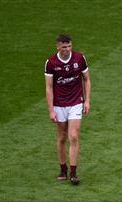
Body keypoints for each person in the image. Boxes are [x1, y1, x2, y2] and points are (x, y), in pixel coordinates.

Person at [44, 33, 91, 185]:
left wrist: (87, 101)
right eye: (64, 47)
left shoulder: (79, 59)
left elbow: (87, 79)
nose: (67, 49)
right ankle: (63, 170)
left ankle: (73, 173)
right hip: (59, 104)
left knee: (74, 136)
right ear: (58, 46)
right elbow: (49, 87)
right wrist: (51, 109)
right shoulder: (51, 63)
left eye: (69, 46)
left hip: (76, 102)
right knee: (62, 137)